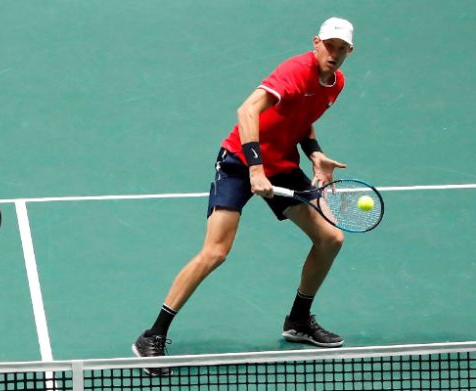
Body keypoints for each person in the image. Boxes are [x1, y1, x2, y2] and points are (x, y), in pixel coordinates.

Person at [132, 17, 355, 375]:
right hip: (239, 162)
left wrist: (314, 153)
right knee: (216, 251)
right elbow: (247, 110)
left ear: (349, 51)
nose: (334, 53)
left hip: (281, 166)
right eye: (329, 45)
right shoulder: (295, 71)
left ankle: (298, 321)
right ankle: (152, 335)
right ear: (316, 42)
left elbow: (302, 115)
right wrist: (255, 168)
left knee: (331, 238)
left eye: (341, 48)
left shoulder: (335, 83)